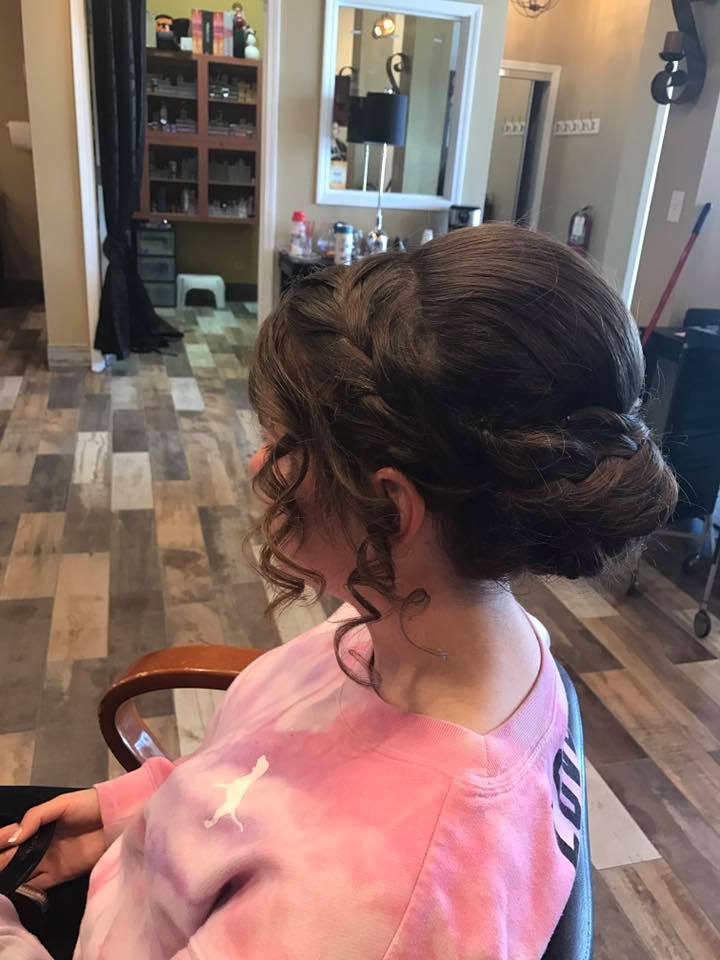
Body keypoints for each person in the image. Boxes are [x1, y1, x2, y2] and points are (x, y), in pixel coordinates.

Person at [0, 225, 676, 959]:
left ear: (390, 508)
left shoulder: (368, 907)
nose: (258, 462)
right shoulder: (436, 628)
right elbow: (266, 757)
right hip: (144, 869)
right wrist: (130, 809)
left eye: (285, 444)